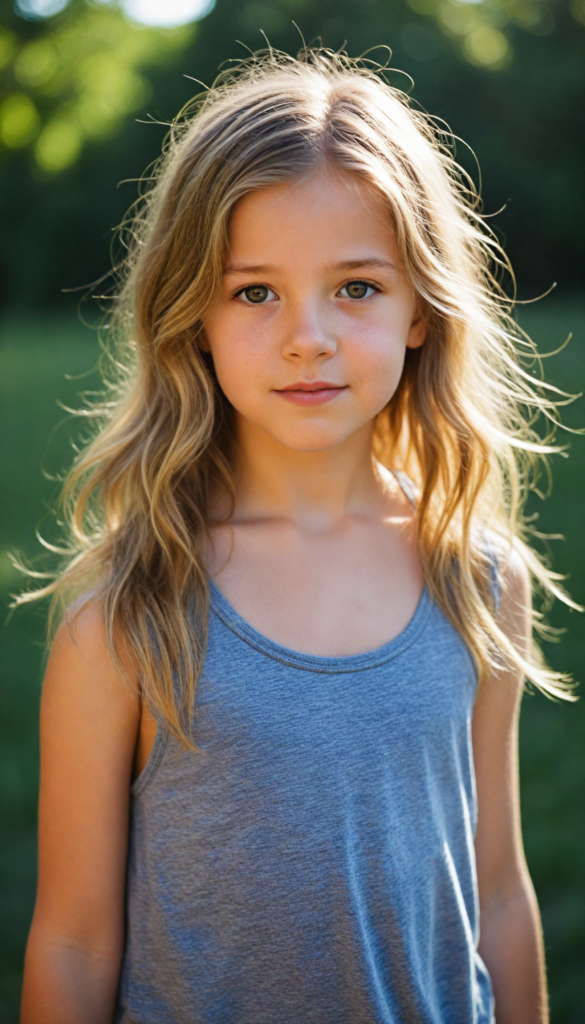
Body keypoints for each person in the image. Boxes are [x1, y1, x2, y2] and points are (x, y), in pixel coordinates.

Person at [18, 48, 576, 1024]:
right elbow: (73, 940)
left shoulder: (479, 576)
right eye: (254, 292)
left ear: (419, 309)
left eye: (356, 287)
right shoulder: (130, 609)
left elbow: (497, 891)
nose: (307, 335)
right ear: (191, 316)